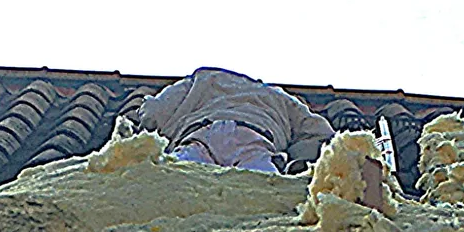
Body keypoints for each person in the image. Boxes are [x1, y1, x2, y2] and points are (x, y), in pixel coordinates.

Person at [136, 66, 335, 173]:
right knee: (266, 197)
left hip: (201, 135)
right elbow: (319, 132)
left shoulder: (202, 79)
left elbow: (155, 112)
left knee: (176, 185)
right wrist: (293, 159)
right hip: (254, 138)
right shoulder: (276, 95)